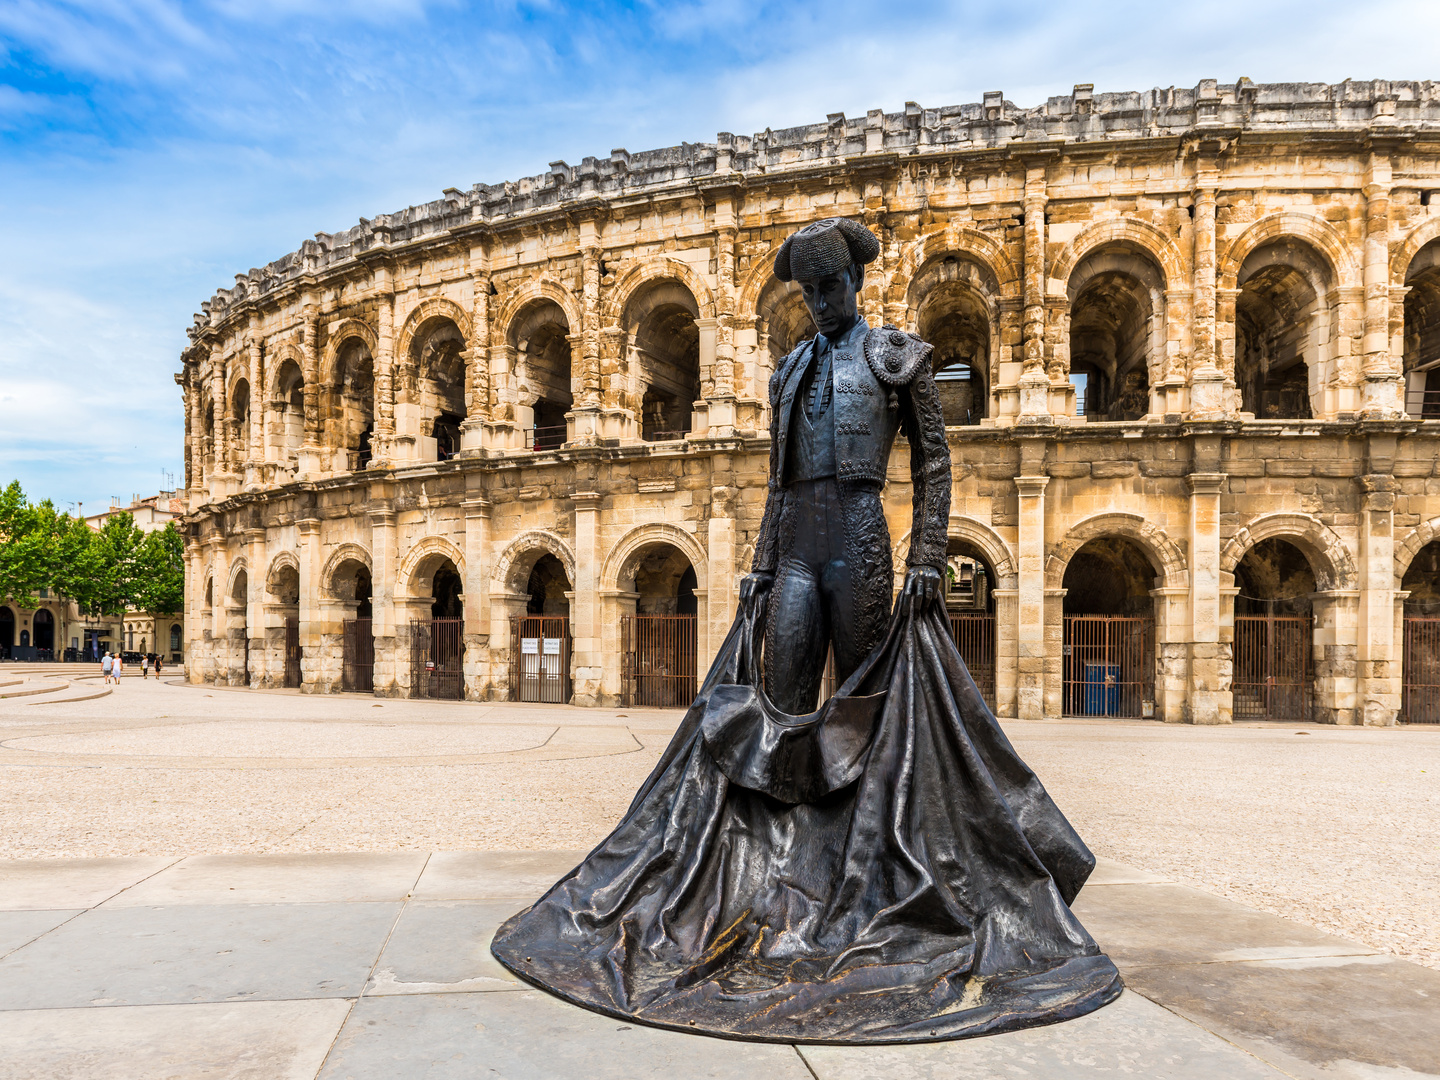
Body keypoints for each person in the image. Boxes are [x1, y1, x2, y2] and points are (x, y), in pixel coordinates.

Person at [491, 219, 1119, 1044]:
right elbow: (777, 483)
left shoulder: (897, 357)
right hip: (796, 548)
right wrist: (756, 566)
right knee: (780, 709)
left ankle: (863, 875)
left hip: (859, 539)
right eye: (808, 291)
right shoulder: (790, 370)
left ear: (855, 284)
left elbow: (934, 464)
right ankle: (773, 881)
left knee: (865, 711)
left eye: (830, 289)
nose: (820, 304)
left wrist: (927, 556)